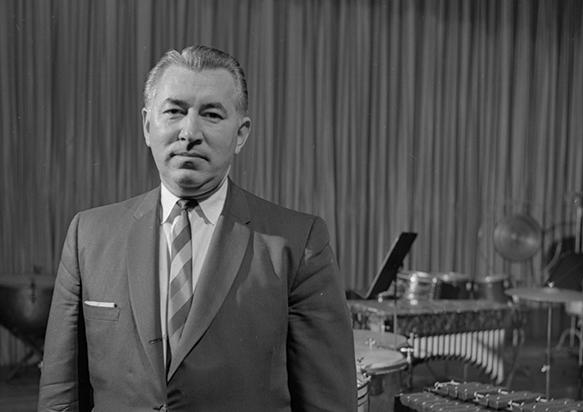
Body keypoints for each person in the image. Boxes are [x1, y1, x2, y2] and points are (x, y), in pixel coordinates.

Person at [38, 45, 356, 411]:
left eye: (211, 115)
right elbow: (60, 397)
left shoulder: (298, 243)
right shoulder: (88, 235)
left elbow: (329, 403)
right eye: (174, 111)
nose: (189, 132)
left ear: (241, 134)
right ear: (146, 125)